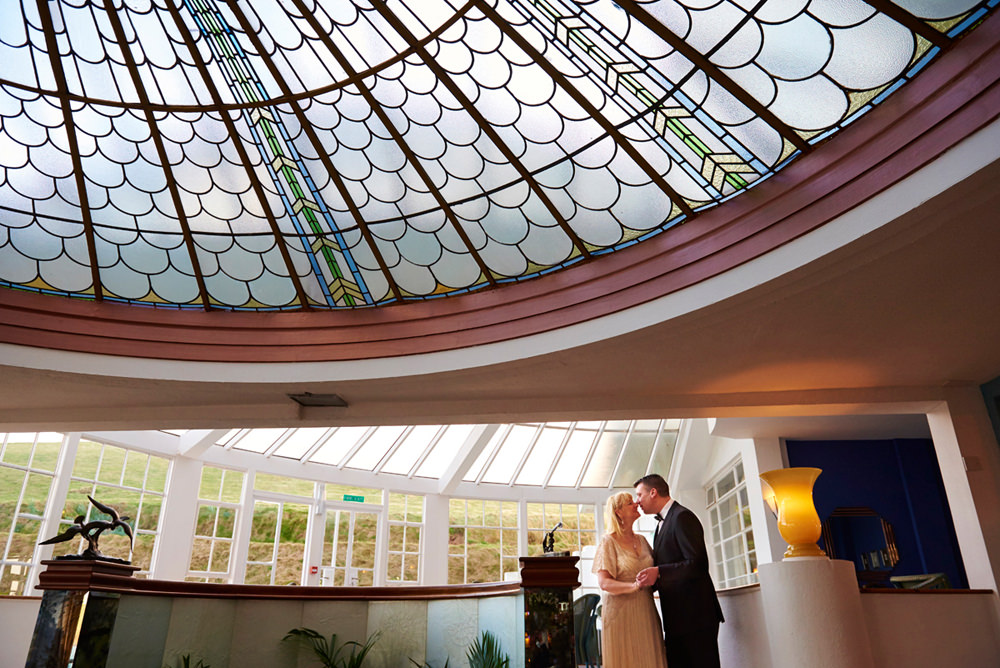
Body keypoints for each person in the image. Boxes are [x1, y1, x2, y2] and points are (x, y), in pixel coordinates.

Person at [634, 474, 724, 668]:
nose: (637, 501)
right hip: (676, 619)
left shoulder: (682, 517)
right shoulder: (661, 524)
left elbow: (697, 564)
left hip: (696, 617)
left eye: (639, 495)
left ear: (653, 492)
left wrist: (659, 572)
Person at [592, 491, 668, 668]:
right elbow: (604, 583)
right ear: (618, 512)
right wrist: (634, 586)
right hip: (620, 614)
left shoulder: (642, 540)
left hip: (646, 610)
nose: (636, 504)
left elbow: (657, 570)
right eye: (630, 503)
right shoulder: (608, 542)